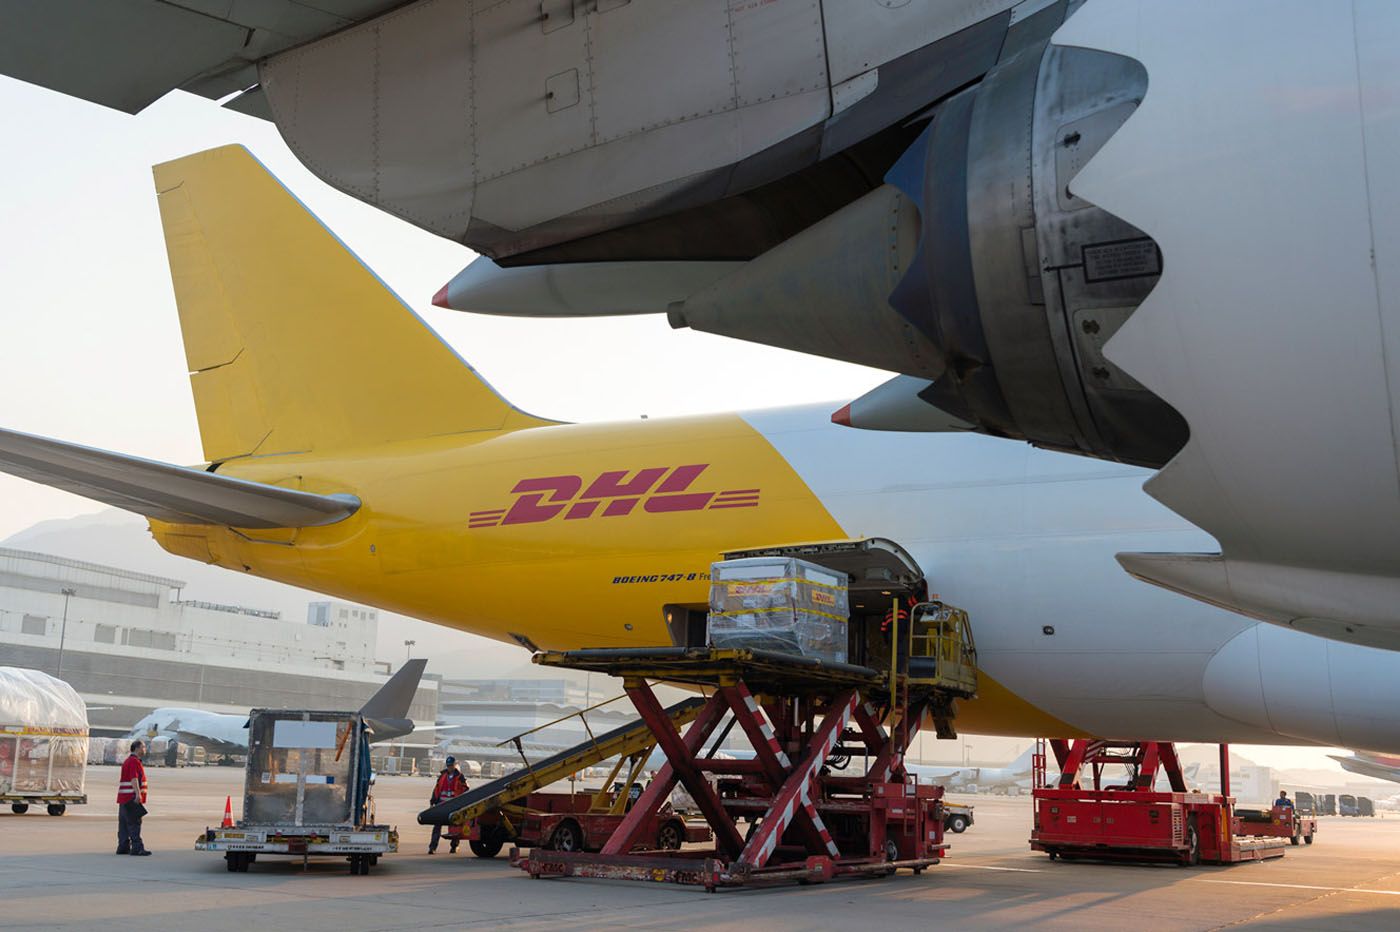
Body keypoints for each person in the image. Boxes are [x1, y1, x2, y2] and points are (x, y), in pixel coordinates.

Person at [428, 756, 469, 854]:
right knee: (437, 826)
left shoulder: (460, 777)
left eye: (451, 765)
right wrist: (433, 801)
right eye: (448, 765)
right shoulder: (442, 776)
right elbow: (437, 789)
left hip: (454, 805)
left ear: (455, 765)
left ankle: (454, 846)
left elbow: (465, 789)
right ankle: (432, 847)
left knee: (455, 826)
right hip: (442, 804)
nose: (449, 767)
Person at [116, 739, 151, 856]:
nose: (145, 749)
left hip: (123, 798)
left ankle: (123, 846)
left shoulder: (128, 761)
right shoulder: (134, 762)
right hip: (131, 797)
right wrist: (138, 794)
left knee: (124, 824)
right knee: (134, 823)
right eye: (143, 747)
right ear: (137, 748)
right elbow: (134, 779)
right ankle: (137, 848)